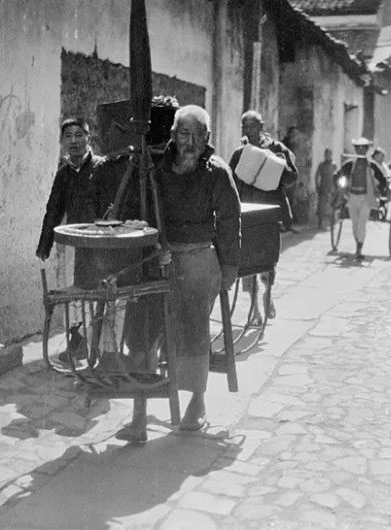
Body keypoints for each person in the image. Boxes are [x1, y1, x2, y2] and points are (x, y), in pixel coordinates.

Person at [115, 105, 241, 443]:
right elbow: (133, 211)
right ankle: (139, 415)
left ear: (207, 139)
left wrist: (228, 270)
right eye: (184, 134)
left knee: (192, 330)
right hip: (158, 258)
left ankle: (196, 402)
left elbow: (230, 223)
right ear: (172, 135)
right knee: (142, 330)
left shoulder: (217, 172)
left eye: (198, 136)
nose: (190, 142)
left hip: (198, 260)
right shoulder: (154, 168)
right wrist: (151, 243)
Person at [35, 118, 104, 260]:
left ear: (88, 139)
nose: (73, 141)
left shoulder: (101, 166)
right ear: (63, 141)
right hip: (77, 240)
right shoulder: (63, 173)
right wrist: (44, 245)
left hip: (102, 241)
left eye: (78, 135)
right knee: (82, 279)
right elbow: (54, 210)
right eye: (68, 136)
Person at [229, 111, 298, 233]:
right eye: (245, 127)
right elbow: (229, 182)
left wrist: (279, 163)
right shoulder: (239, 153)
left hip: (270, 213)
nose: (249, 131)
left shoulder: (277, 148)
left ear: (261, 126)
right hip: (246, 211)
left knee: (268, 250)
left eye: (253, 127)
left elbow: (292, 177)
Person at [335, 138, 387, 260]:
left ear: (367, 150)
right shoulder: (349, 164)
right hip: (352, 196)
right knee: (354, 224)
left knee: (361, 223)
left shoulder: (372, 165)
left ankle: (359, 249)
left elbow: (383, 179)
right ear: (355, 149)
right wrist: (339, 185)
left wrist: (379, 190)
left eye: (364, 148)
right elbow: (338, 175)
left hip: (366, 197)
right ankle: (358, 243)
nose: (361, 150)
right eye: (358, 148)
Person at [315, 148, 338, 229]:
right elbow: (317, 175)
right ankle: (320, 222)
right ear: (324, 155)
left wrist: (337, 187)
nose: (328, 156)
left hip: (331, 188)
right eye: (326, 154)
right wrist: (317, 185)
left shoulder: (334, 165)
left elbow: (337, 177)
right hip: (323, 187)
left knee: (332, 206)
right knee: (321, 206)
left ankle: (332, 222)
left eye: (329, 154)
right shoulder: (321, 165)